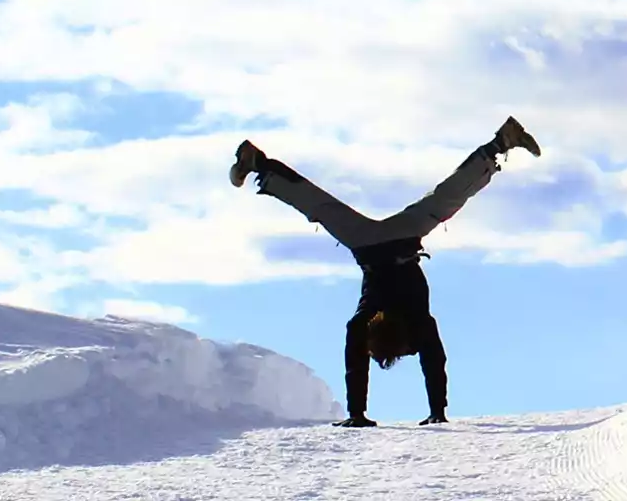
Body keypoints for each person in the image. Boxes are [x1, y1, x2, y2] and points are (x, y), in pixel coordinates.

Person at [229, 116, 541, 428]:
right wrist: (364, 413)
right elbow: (373, 362)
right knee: (322, 207)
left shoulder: (413, 324)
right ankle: (259, 163)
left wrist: (428, 411)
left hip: (403, 239)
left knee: (445, 199)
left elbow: (433, 363)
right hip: (367, 244)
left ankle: (502, 142)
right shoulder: (368, 322)